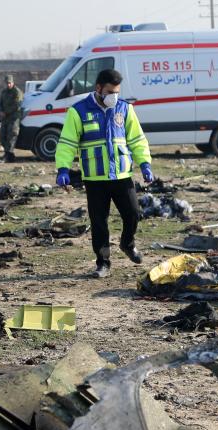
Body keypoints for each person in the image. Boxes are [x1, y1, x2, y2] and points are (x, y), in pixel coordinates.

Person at [54, 68, 154, 279]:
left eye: (116, 92)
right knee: (99, 223)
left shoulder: (125, 109)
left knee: (133, 214)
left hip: (121, 175)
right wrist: (63, 168)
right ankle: (103, 263)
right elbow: (67, 143)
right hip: (95, 178)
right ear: (98, 88)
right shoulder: (78, 111)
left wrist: (145, 163)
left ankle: (128, 244)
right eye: (109, 91)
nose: (113, 96)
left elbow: (137, 139)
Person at [0, 75, 23, 163]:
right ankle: (10, 155)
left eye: (9, 83)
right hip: (5, 118)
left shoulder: (17, 92)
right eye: (7, 83)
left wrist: (6, 112)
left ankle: (7, 155)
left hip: (14, 117)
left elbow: (17, 105)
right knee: (2, 136)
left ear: (12, 83)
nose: (8, 85)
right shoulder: (4, 92)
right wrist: (1, 111)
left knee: (11, 135)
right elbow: (0, 103)